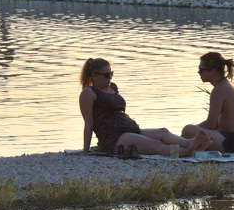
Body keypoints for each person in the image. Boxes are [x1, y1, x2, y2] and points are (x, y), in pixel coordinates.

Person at [71, 58, 203, 157]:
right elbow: (88, 122)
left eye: (111, 73)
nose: (110, 77)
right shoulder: (89, 93)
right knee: (155, 145)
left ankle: (189, 143)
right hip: (113, 137)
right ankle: (189, 152)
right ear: (94, 75)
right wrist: (85, 150)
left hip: (130, 128)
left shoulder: (113, 88)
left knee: (162, 132)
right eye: (106, 75)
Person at [179, 52, 234, 153]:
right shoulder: (228, 85)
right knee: (192, 131)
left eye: (201, 70)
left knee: (187, 130)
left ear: (213, 71)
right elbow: (215, 124)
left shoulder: (220, 89)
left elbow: (210, 125)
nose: (198, 73)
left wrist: (193, 129)